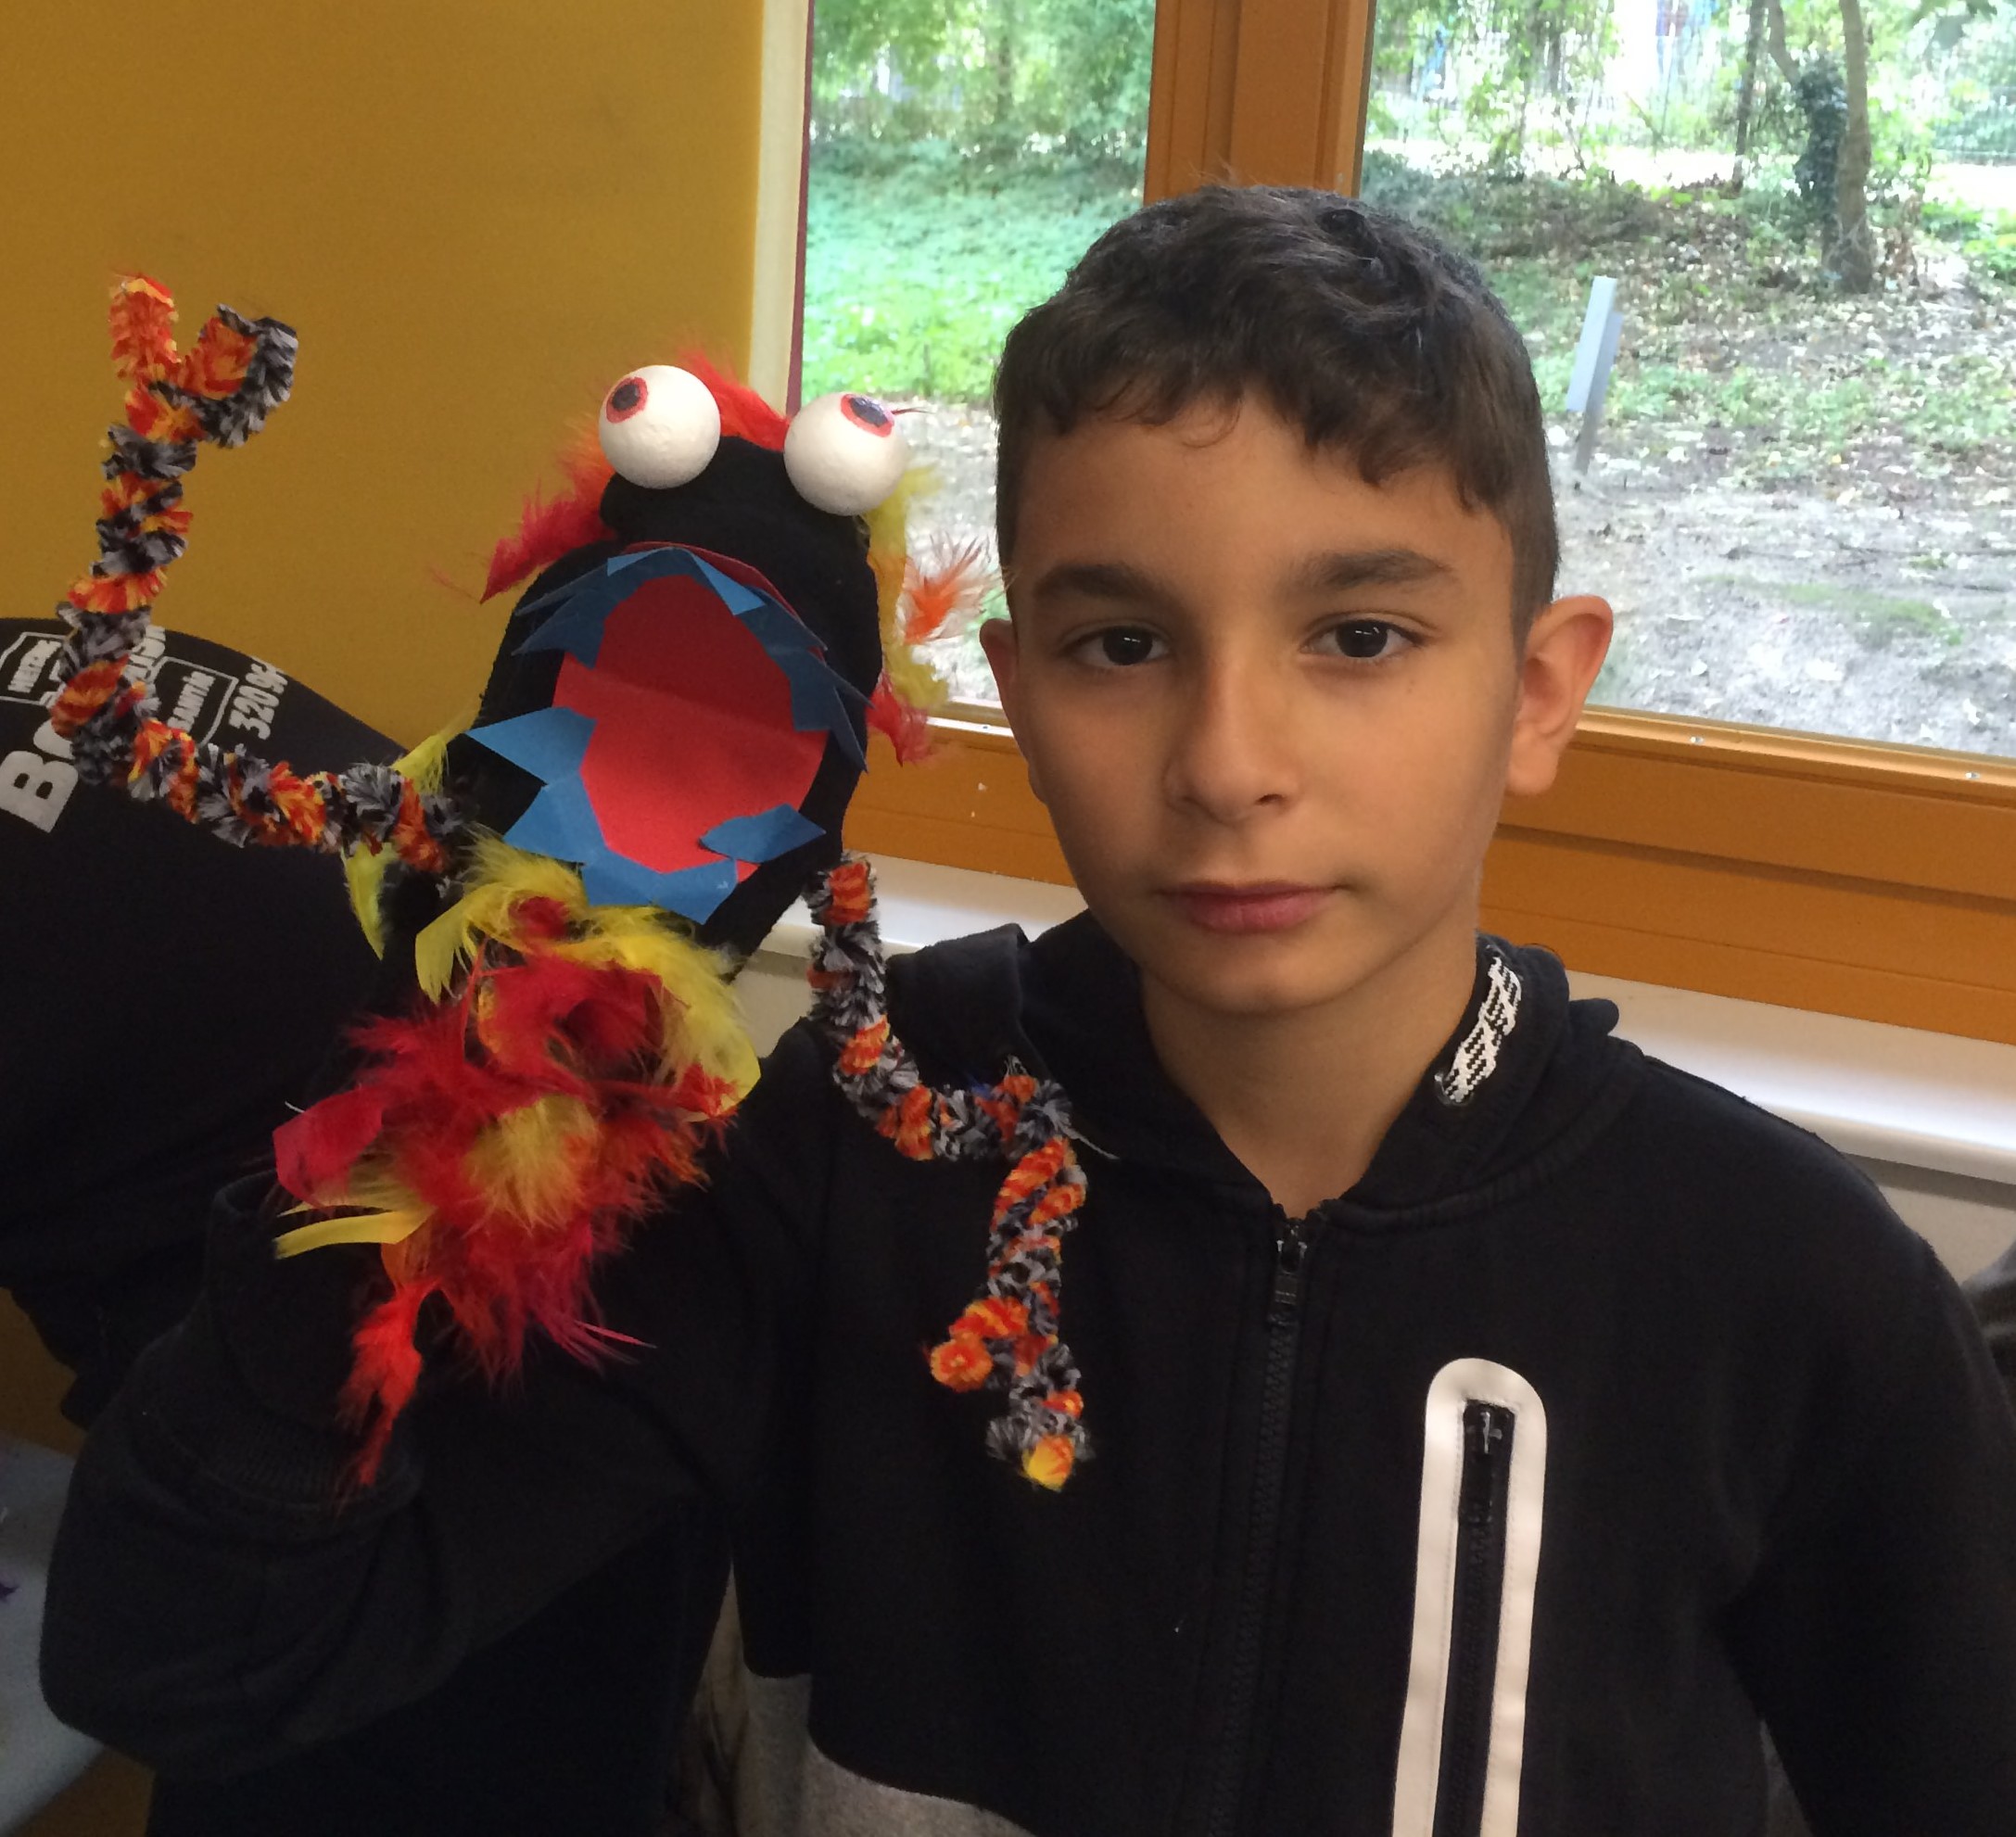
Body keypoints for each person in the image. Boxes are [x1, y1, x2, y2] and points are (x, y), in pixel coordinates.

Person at [43, 187, 2016, 1835]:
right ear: (1013, 684)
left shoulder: (1782, 1289)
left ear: (1537, 688)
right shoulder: (843, 1163)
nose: (1228, 763)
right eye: (1122, 643)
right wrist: (455, 1094)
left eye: (1358, 635)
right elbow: (181, 1660)